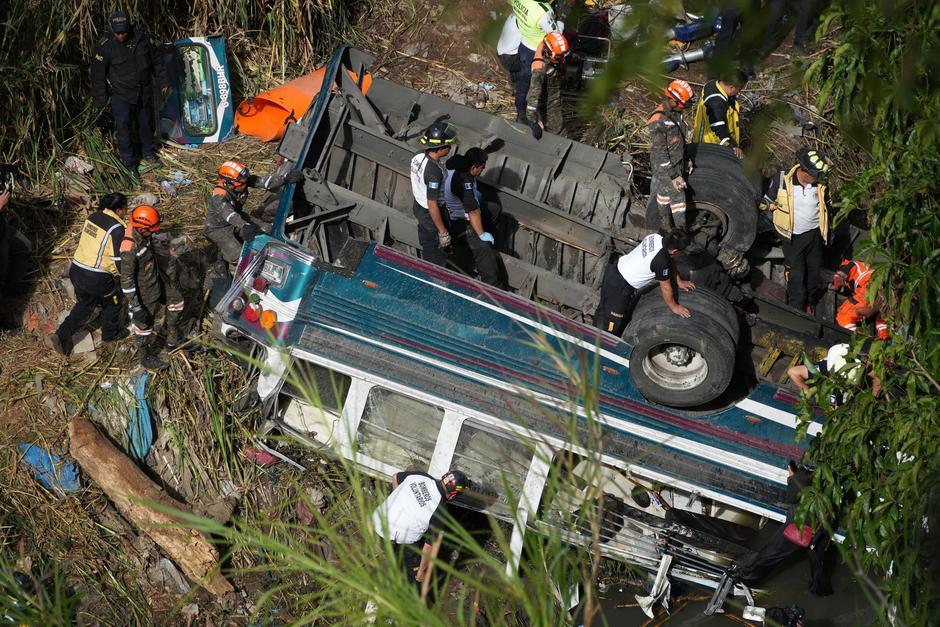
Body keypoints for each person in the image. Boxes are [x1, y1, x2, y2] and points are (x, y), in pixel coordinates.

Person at [48, 194, 130, 355]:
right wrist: (123, 277)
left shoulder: (93, 217)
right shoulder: (116, 228)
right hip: (96, 276)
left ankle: (61, 335)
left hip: (76, 269)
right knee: (113, 302)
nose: (126, 212)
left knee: (85, 305)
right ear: (119, 210)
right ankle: (110, 334)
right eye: (125, 209)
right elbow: (117, 260)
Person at [739, 461, 833, 597]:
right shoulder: (831, 476)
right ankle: (821, 592)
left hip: (799, 525)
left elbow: (791, 498)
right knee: (817, 561)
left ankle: (747, 581)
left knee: (770, 553)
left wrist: (791, 478)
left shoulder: (801, 478)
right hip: (821, 526)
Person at [90, 11, 169, 173]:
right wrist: (101, 101)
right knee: (123, 129)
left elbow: (156, 61)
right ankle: (130, 164)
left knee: (146, 124)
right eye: (117, 33)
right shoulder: (104, 46)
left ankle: (149, 154)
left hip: (143, 91)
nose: (121, 36)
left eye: (124, 32)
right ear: (112, 29)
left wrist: (163, 82)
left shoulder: (142, 38)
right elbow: (97, 77)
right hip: (121, 94)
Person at [371, 469, 470, 591]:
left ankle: (380, 552)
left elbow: (395, 477)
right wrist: (421, 572)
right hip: (392, 539)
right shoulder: (440, 510)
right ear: (453, 495)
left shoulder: (422, 476)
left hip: (377, 521)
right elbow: (428, 548)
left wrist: (398, 498)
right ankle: (407, 591)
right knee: (414, 568)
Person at [763, 147, 831, 312]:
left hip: (814, 235)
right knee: (796, 276)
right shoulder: (782, 179)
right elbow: (767, 202)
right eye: (816, 175)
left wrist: (829, 232)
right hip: (792, 238)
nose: (819, 178)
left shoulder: (821, 184)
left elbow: (826, 207)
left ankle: (810, 303)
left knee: (813, 274)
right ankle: (796, 310)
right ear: (805, 171)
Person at [594, 230, 696, 337]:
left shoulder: (656, 237)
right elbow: (666, 287)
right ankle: (599, 344)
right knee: (611, 325)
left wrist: (679, 281)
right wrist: (674, 307)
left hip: (613, 272)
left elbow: (670, 260)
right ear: (675, 251)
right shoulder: (660, 261)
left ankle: (593, 334)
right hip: (619, 288)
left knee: (603, 311)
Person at [121, 205, 185, 371]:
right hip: (145, 292)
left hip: (157, 276)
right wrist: (136, 307)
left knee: (177, 302)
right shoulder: (129, 248)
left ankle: (172, 338)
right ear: (142, 229)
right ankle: (145, 356)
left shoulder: (142, 231)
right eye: (151, 230)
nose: (154, 233)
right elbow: (126, 281)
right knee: (144, 324)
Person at [204, 160, 304, 267]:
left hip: (238, 217)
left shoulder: (243, 181)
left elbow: (264, 182)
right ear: (230, 184)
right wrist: (244, 225)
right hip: (218, 228)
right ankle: (221, 255)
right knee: (238, 256)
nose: (246, 184)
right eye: (243, 183)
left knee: (267, 230)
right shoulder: (219, 196)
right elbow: (229, 215)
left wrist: (285, 178)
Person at [443, 148, 504, 287]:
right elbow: (472, 211)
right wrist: (481, 234)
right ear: (474, 167)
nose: (484, 169)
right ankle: (493, 285)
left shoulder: (456, 161)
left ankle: (491, 240)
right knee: (483, 248)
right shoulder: (464, 181)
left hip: (456, 204)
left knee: (494, 209)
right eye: (482, 167)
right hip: (456, 219)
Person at [647, 79, 696, 231]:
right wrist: (674, 176)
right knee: (678, 198)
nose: (687, 107)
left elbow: (679, 139)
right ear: (674, 101)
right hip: (664, 167)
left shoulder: (676, 113)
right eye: (685, 104)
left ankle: (665, 228)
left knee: (664, 195)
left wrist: (686, 158)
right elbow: (660, 152)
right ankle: (680, 233)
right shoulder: (658, 121)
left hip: (676, 162)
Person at [410, 122, 458, 266]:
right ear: (440, 148)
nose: (450, 148)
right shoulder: (434, 172)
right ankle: (434, 274)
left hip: (418, 206)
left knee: (427, 243)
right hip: (430, 214)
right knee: (436, 251)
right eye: (448, 146)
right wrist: (443, 232)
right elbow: (432, 204)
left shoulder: (418, 155)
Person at [511, 0, 564, 122]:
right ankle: (536, 116)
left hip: (524, 46)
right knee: (538, 86)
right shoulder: (543, 12)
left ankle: (521, 113)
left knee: (524, 83)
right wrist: (561, 20)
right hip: (538, 52)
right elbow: (556, 35)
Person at [786, 341, 879, 404]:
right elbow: (792, 372)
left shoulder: (861, 366)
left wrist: (874, 398)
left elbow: (878, 377)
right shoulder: (822, 369)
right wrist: (807, 391)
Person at [525, 32, 570, 139]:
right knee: (557, 129)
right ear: (548, 52)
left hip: (553, 88)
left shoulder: (548, 42)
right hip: (549, 102)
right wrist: (532, 121)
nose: (563, 59)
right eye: (559, 57)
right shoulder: (539, 68)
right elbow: (533, 97)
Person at [691, 71, 748, 157]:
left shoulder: (714, 84)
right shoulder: (717, 103)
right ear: (731, 87)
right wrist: (732, 146)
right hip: (712, 146)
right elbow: (718, 129)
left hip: (710, 143)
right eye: (739, 90)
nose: (738, 93)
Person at [831, 259, 889, 340]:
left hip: (870, 288)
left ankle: (861, 340)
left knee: (843, 316)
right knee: (883, 320)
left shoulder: (847, 265)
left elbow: (838, 279)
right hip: (887, 292)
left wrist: (832, 286)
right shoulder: (865, 265)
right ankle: (885, 337)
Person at [497, 15, 523, 103]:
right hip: (509, 58)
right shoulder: (530, 21)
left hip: (502, 52)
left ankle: (513, 82)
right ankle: (521, 91)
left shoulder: (516, 14)